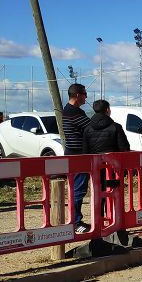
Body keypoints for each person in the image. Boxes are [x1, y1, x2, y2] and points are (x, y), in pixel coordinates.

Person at [62, 83, 91, 234]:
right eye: (85, 94)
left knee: (76, 189)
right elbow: (91, 127)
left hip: (73, 154)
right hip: (77, 155)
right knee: (78, 189)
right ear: (78, 95)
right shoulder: (74, 113)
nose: (86, 97)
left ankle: (75, 219)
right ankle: (75, 222)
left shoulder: (69, 110)